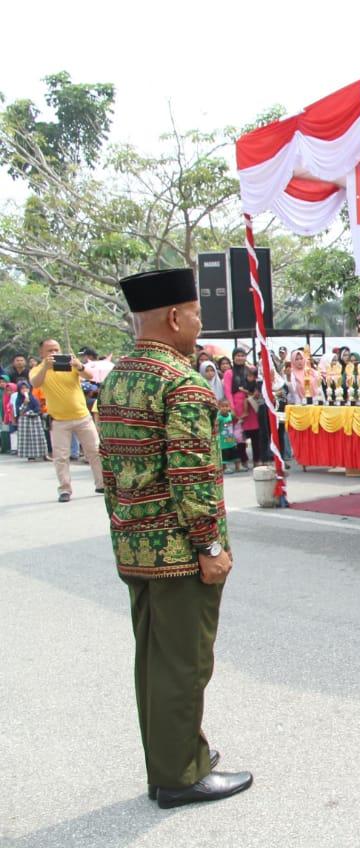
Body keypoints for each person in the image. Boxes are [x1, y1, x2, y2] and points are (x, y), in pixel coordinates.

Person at [98, 267, 251, 808]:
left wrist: (124, 526)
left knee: (153, 659)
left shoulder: (118, 378)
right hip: (180, 552)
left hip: (133, 544)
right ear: (173, 316)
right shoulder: (181, 383)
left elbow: (109, 470)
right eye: (197, 314)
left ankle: (173, 758)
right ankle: (180, 777)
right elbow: (193, 476)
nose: (199, 324)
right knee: (185, 664)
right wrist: (210, 545)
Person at [30, 338, 104, 502]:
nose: (54, 353)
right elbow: (35, 383)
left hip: (82, 417)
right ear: (41, 353)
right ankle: (64, 489)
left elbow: (90, 376)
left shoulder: (70, 364)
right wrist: (46, 367)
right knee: (61, 457)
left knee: (95, 451)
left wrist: (79, 366)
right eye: (50, 350)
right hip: (59, 421)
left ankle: (101, 484)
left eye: (56, 349)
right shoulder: (37, 369)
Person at [14, 380, 45, 461]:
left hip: (34, 420)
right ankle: (30, 455)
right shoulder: (18, 399)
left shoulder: (33, 398)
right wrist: (25, 403)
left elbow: (37, 408)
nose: (24, 390)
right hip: (24, 421)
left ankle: (41, 454)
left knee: (38, 437)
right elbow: (19, 412)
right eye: (22, 388)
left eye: (26, 388)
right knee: (27, 439)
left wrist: (33, 412)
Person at [217, 400, 238, 474]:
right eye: (222, 406)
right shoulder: (219, 417)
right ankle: (224, 468)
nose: (225, 408)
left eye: (226, 406)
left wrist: (231, 410)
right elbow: (216, 426)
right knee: (224, 453)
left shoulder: (230, 415)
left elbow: (235, 417)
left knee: (234, 451)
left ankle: (237, 467)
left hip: (230, 438)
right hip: (223, 439)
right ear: (219, 407)